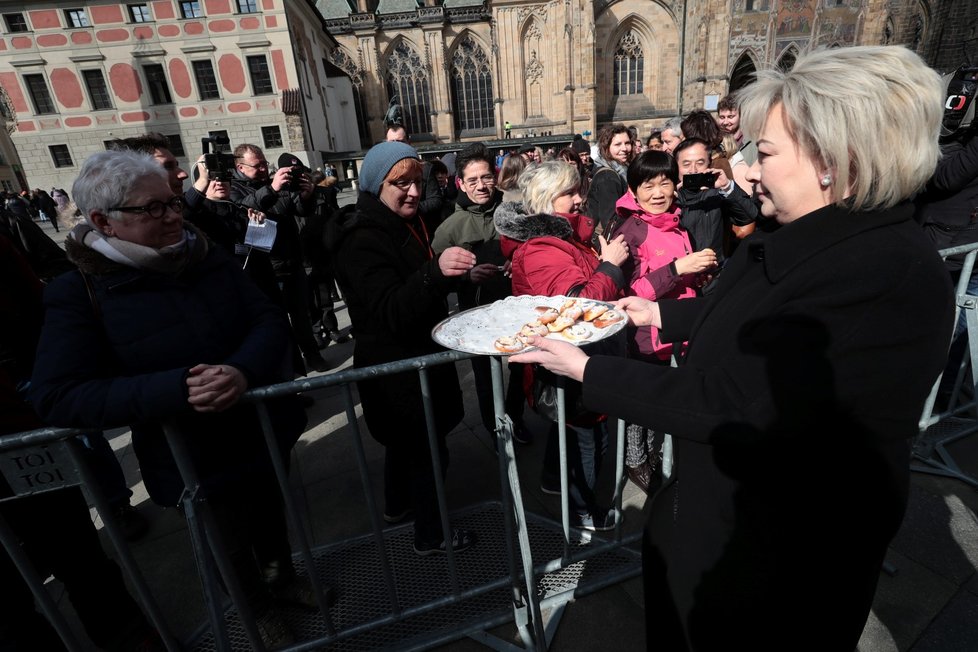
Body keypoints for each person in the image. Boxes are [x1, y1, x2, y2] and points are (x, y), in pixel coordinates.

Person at [511, 45, 953, 650]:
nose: (750, 169)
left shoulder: (883, 271)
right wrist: (660, 308)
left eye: (765, 153)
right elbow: (744, 309)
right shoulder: (800, 232)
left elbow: (736, 402)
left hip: (778, 562)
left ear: (833, 160)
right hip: (716, 526)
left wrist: (587, 369)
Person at [30, 150, 317, 649]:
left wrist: (242, 370)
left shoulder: (205, 255)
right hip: (189, 457)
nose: (173, 215)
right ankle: (257, 611)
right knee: (227, 545)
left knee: (271, 518)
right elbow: (59, 396)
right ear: (103, 221)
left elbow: (267, 318)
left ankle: (284, 580)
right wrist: (176, 389)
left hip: (258, 429)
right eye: (153, 208)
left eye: (172, 203)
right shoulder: (76, 292)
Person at [0, 234, 162, 652]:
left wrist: (43, 389)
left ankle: (129, 637)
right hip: (21, 427)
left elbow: (39, 318)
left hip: (21, 436)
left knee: (78, 558)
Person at [326, 141, 478, 555]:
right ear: (377, 185)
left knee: (406, 447)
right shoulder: (362, 238)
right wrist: (434, 272)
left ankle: (396, 506)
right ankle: (433, 535)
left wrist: (457, 274)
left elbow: (418, 282)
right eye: (400, 183)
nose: (413, 191)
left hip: (411, 363)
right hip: (398, 369)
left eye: (416, 180)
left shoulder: (398, 223)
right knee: (427, 455)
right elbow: (390, 309)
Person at [494, 161, 630, 530]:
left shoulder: (561, 238)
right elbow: (577, 310)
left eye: (578, 189)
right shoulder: (542, 247)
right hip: (568, 365)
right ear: (544, 200)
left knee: (577, 437)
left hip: (577, 362)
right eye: (569, 193)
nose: (580, 199)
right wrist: (611, 267)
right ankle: (584, 515)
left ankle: (559, 487)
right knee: (589, 443)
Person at [608, 150, 716, 494]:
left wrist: (698, 275)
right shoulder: (630, 231)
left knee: (665, 399)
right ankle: (636, 461)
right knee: (643, 405)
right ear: (633, 189)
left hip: (678, 329)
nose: (658, 192)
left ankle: (655, 456)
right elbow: (628, 293)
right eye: (648, 185)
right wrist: (677, 270)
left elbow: (680, 270)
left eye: (665, 182)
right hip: (646, 336)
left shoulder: (676, 219)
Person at [432, 143, 529, 445]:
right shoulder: (449, 227)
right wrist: (465, 277)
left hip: (516, 310)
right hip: (475, 316)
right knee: (486, 379)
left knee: (523, 367)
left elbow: (534, 250)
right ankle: (495, 427)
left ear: (496, 176)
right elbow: (435, 277)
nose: (481, 186)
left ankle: (515, 418)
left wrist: (519, 261)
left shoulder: (515, 212)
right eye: (472, 180)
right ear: (459, 182)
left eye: (486, 177)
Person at [230, 143, 329, 373]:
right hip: (266, 268)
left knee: (302, 315)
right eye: (258, 166)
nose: (264, 169)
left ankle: (313, 355)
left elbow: (297, 210)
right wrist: (272, 189)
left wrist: (306, 196)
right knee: (277, 323)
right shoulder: (234, 188)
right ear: (241, 167)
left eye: (265, 164)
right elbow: (241, 211)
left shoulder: (272, 182)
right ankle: (291, 371)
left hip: (292, 260)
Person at [672, 137, 758, 276]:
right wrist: (670, 201)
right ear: (676, 167)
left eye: (700, 163)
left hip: (715, 275)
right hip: (681, 277)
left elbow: (749, 215)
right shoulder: (670, 198)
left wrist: (727, 186)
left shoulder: (718, 194)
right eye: (686, 164)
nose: (693, 170)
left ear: (709, 164)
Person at [586, 123, 633, 233]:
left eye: (627, 143)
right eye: (617, 144)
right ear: (606, 148)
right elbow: (610, 221)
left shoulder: (621, 169)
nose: (624, 148)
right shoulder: (607, 177)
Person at [717, 94, 757, 165]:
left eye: (730, 117)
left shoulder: (754, 141)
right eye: (722, 117)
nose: (725, 122)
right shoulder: (714, 143)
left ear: (740, 116)